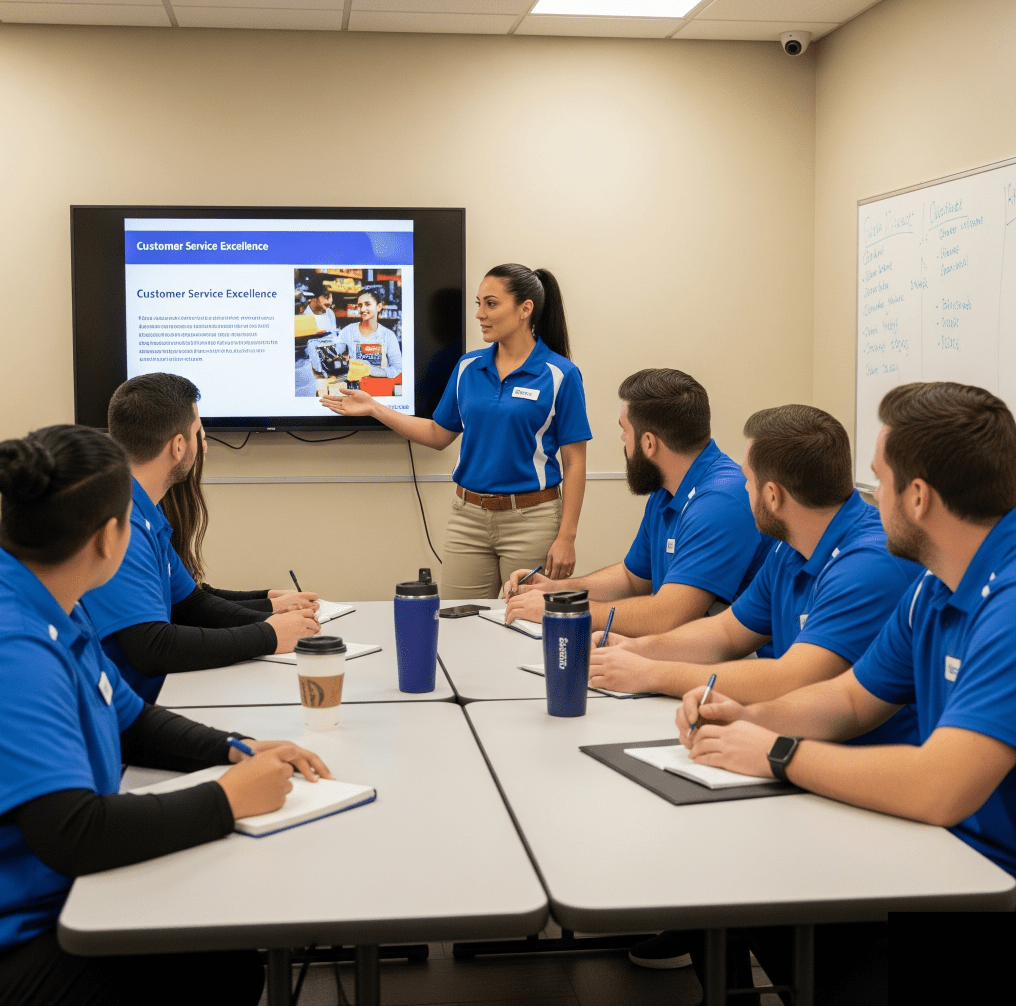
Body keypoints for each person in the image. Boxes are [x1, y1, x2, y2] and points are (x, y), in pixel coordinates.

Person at [676, 382, 1016, 1002]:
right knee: (737, 883)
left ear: (919, 498)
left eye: (879, 480)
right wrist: (746, 715)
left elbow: (939, 788)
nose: (869, 495)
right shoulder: (937, 583)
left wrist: (778, 752)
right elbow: (853, 699)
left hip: (989, 883)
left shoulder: (1008, 605)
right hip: (943, 856)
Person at [0, 424, 330, 1006]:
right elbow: (74, 833)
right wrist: (227, 799)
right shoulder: (14, 649)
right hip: (15, 942)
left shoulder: (49, 601)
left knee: (224, 950)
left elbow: (132, 720)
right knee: (220, 969)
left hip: (57, 896)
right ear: (109, 538)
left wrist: (235, 747)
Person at [586, 403, 922, 974]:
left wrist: (653, 674)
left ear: (772, 495)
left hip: (865, 780)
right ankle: (722, 958)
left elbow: (795, 676)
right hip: (818, 751)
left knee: (696, 825)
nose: (739, 491)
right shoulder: (793, 547)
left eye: (746, 481)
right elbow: (725, 633)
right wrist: (636, 649)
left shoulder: (869, 564)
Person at [320, 263, 591, 598]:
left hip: (532, 520)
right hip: (469, 519)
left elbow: (575, 463)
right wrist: (375, 408)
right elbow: (438, 434)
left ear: (525, 309)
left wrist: (567, 537)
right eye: (479, 303)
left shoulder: (561, 374)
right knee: (456, 619)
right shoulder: (467, 367)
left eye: (491, 304)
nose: (479, 314)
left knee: (524, 620)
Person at [82, 373, 320, 704]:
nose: (202, 444)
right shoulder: (122, 523)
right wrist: (268, 634)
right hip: (130, 714)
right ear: (179, 445)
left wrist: (277, 620)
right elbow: (152, 647)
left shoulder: (145, 510)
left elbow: (190, 605)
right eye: (198, 432)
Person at [505, 369, 772, 636]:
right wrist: (556, 590)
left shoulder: (720, 503)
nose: (622, 439)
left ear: (649, 443)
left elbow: (667, 616)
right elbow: (632, 579)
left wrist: (563, 609)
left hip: (755, 658)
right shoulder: (668, 489)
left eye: (625, 430)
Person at [159, 421, 319, 613]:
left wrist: (269, 597)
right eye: (200, 438)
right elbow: (190, 610)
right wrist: (274, 609)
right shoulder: (153, 521)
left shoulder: (168, 510)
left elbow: (198, 595)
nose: (205, 447)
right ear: (178, 446)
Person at [334, 284, 403, 380]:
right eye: (360, 305)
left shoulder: (388, 335)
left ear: (379, 306)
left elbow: (397, 368)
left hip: (380, 387)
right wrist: (342, 361)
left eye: (367, 304)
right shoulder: (348, 331)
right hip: (354, 386)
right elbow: (334, 356)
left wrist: (370, 370)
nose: (362, 309)